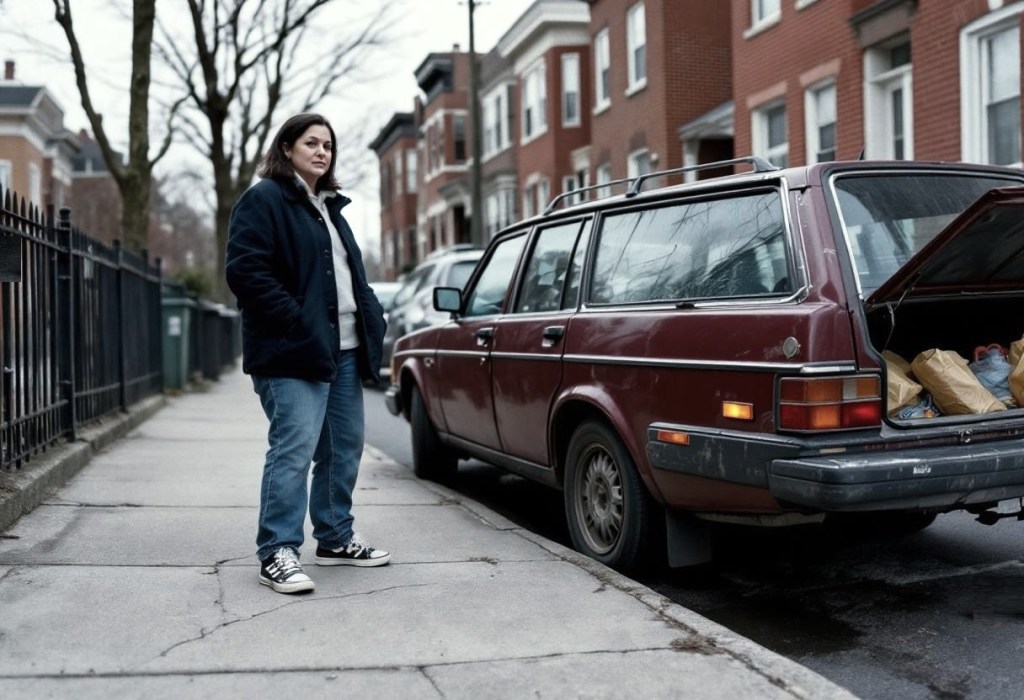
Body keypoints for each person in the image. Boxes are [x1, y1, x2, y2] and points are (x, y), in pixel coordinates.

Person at [225, 112, 390, 594]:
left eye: (328, 146)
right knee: (294, 451)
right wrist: (297, 321)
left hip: (341, 352)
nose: (322, 152)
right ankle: (276, 550)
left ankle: (336, 538)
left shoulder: (330, 206)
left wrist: (370, 313)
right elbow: (245, 271)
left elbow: (349, 276)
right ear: (288, 149)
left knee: (343, 449)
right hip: (289, 352)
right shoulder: (265, 199)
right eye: (311, 143)